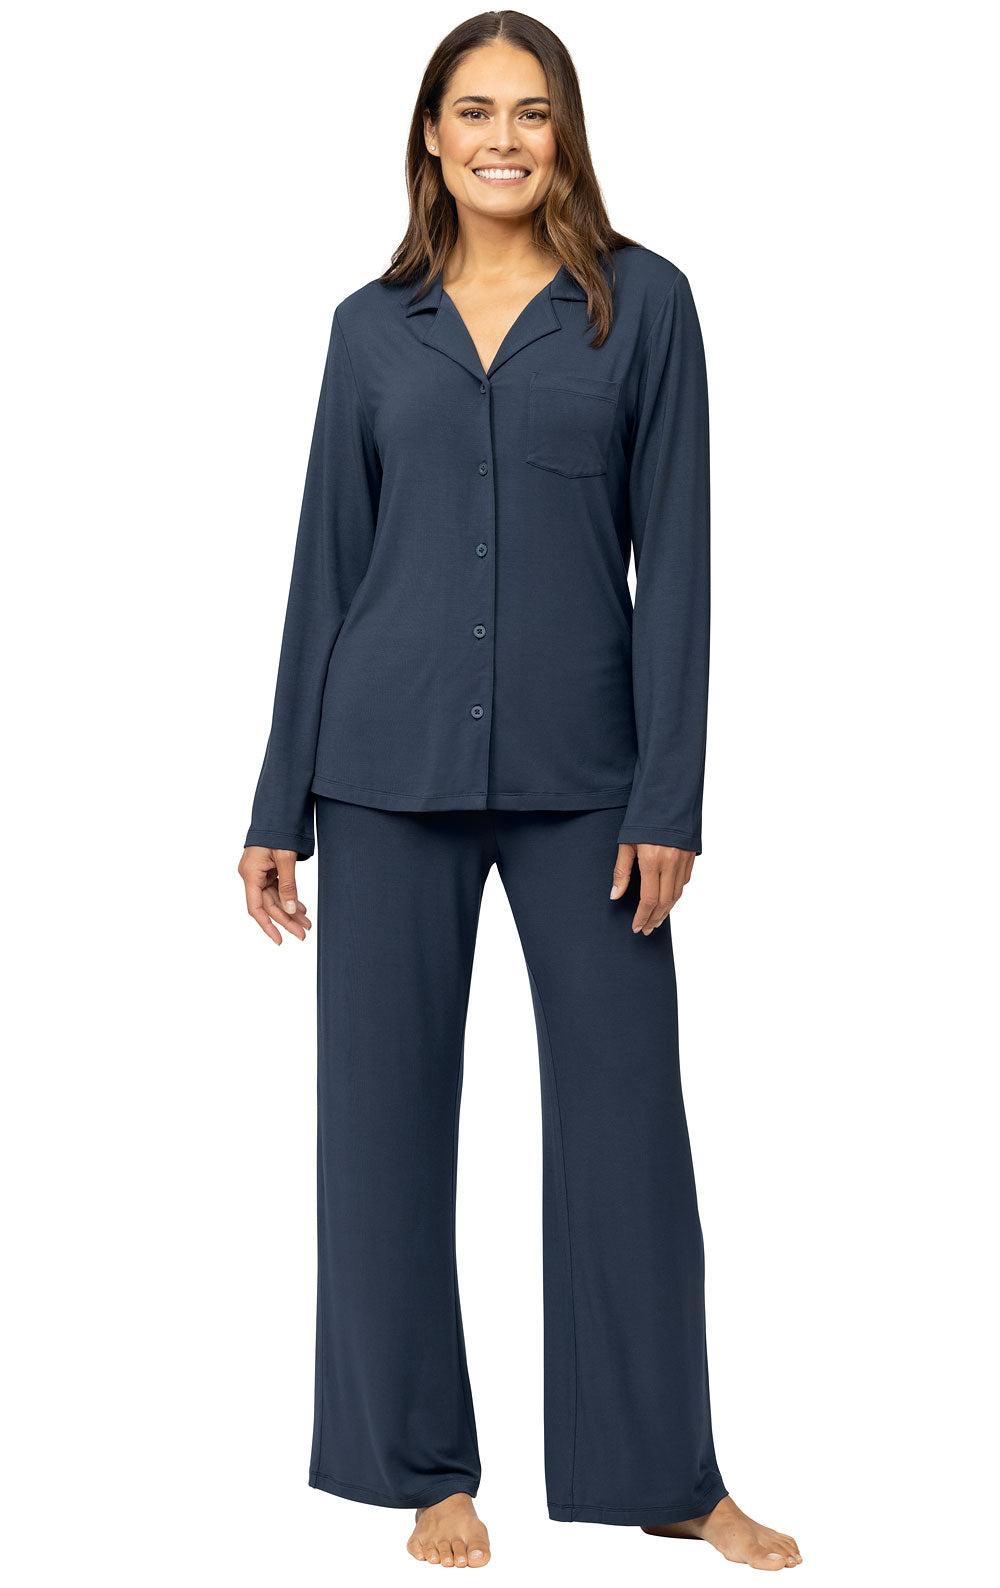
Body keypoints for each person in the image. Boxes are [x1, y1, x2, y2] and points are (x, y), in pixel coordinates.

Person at [238, 9, 801, 1574]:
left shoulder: (646, 307)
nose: (503, 137)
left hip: (588, 785)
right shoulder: (370, 329)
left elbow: (679, 564)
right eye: (475, 110)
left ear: (566, 134)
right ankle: (424, 1470)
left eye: (531, 111)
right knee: (383, 1132)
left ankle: (666, 1475)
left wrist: (670, 798)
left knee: (628, 1129)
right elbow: (326, 569)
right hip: (382, 772)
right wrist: (278, 802)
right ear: (431, 135)